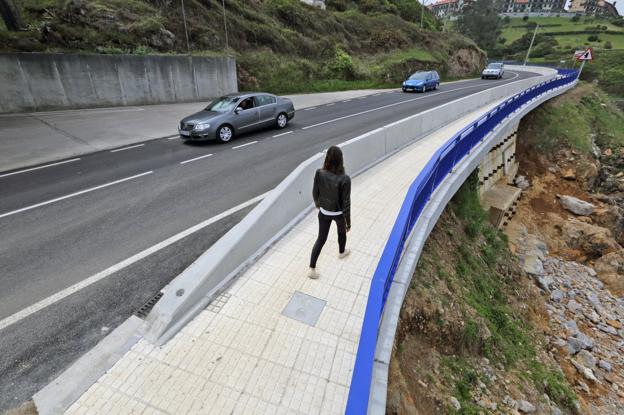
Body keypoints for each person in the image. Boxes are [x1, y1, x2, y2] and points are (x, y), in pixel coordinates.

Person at [309, 145, 351, 279]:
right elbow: (346, 203)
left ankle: (311, 269)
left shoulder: (319, 173)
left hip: (323, 212)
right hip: (338, 214)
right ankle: (341, 252)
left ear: (327, 158)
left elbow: (315, 192)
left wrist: (318, 205)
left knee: (321, 239)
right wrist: (348, 222)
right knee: (341, 231)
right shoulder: (345, 179)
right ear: (340, 160)